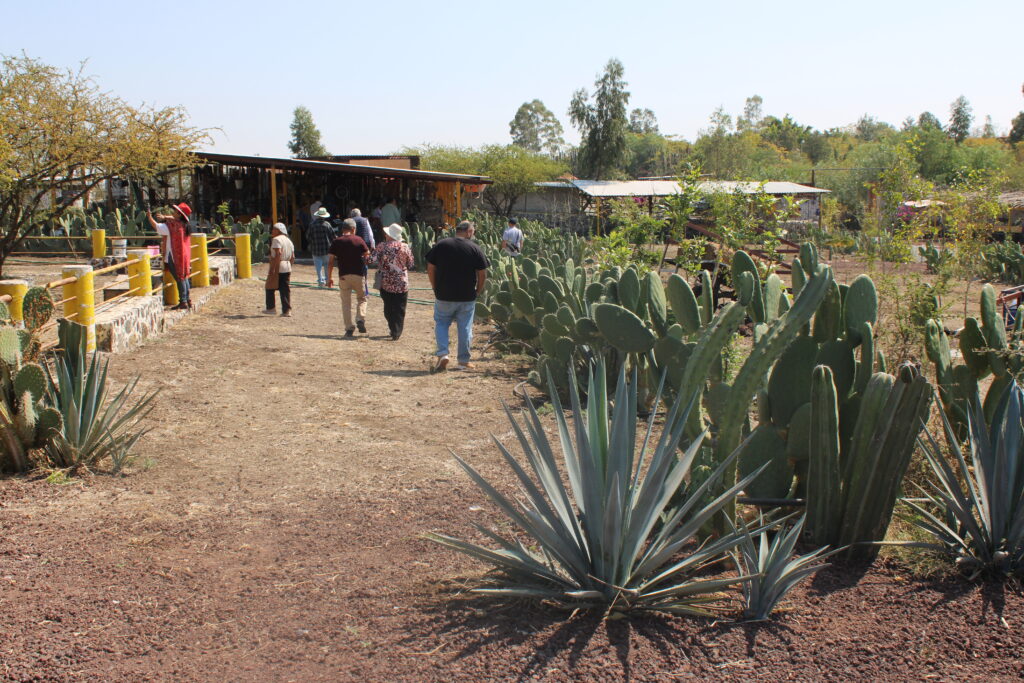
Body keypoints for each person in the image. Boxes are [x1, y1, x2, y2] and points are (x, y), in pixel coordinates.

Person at [426, 220, 489, 372]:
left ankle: (442, 354)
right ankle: (463, 361)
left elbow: (430, 267)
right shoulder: (475, 248)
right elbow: (482, 273)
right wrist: (477, 291)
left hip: (444, 294)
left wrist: (435, 286)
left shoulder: (441, 245)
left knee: (441, 323)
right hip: (466, 295)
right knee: (465, 328)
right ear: (469, 232)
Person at [327, 218, 370, 337]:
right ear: (353, 229)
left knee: (346, 303)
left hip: (343, 276)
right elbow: (367, 256)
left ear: (343, 229)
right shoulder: (358, 240)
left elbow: (330, 262)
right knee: (362, 298)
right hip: (358, 274)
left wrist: (329, 278)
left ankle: (349, 328)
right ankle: (360, 318)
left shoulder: (336, 241)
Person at [147, 202, 193, 310]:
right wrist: (165, 217)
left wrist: (149, 217)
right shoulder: (184, 225)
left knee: (179, 278)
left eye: (175, 212)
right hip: (184, 255)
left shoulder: (173, 226)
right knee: (184, 276)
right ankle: (187, 298)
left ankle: (183, 301)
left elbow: (157, 226)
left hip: (174, 255)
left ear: (179, 214)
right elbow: (172, 219)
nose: (173, 213)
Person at [373, 224, 415, 341]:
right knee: (400, 308)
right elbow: (411, 264)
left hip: (386, 282)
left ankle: (393, 328)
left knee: (388, 306)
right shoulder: (405, 246)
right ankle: (397, 330)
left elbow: (372, 259)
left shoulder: (381, 246)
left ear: (389, 235)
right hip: (401, 282)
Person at [264, 223, 295, 316]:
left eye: (274, 229)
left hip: (278, 266)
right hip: (287, 266)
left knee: (269, 287)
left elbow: (278, 254)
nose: (272, 231)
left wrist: (273, 268)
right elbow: (292, 257)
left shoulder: (276, 240)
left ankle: (271, 308)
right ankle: (287, 310)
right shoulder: (289, 241)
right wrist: (289, 266)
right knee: (285, 289)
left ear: (279, 230)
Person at [307, 207, 336, 287]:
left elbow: (308, 237)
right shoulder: (327, 225)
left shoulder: (312, 225)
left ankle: (320, 281)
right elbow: (333, 237)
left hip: (315, 249)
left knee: (318, 267)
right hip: (326, 250)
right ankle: (327, 281)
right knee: (327, 266)